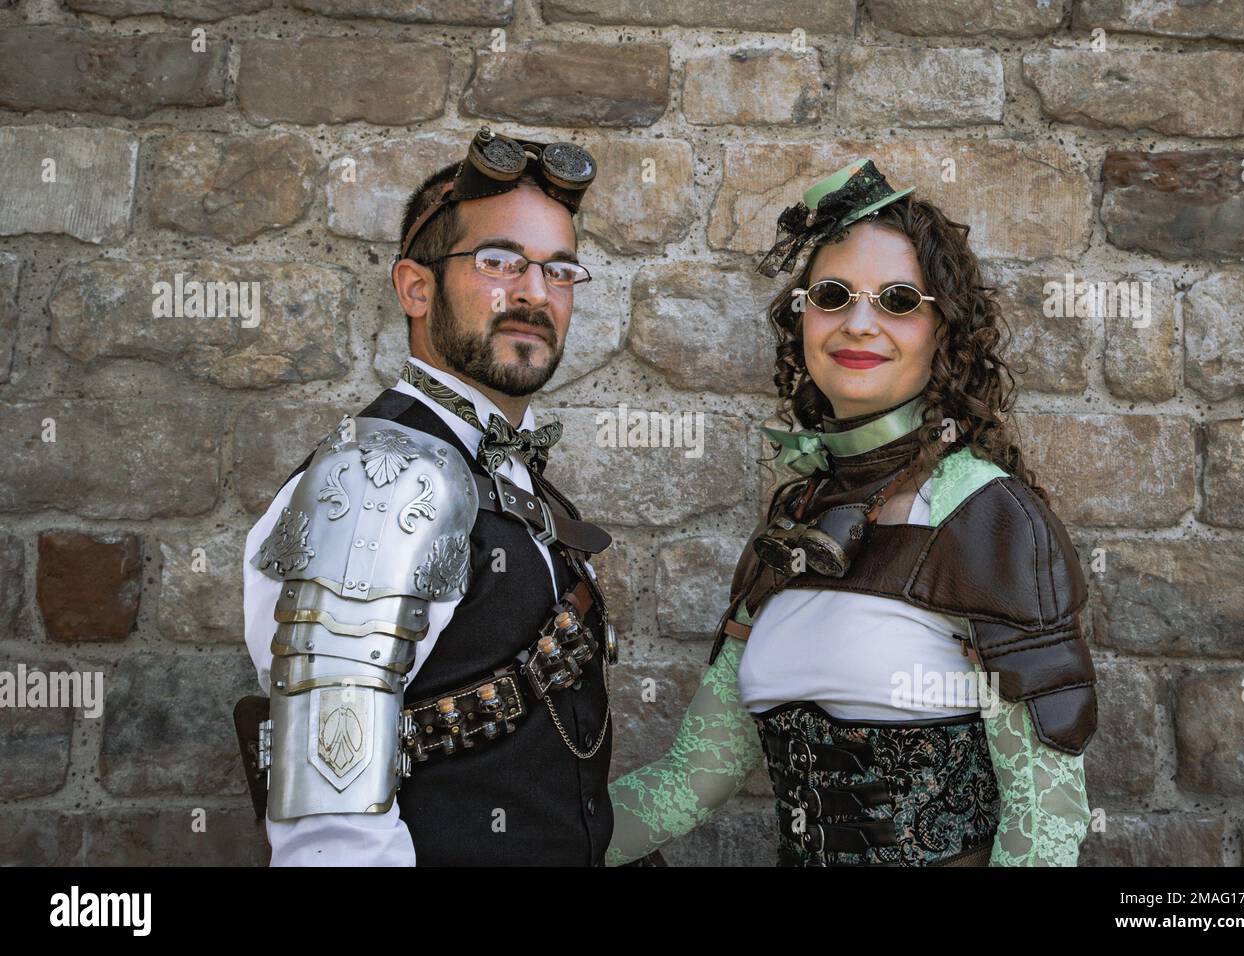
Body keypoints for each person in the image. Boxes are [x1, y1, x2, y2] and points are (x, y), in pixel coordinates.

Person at [605, 159, 1097, 866]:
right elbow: (691, 782)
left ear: (943, 330)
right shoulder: (790, 529)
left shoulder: (988, 516)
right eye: (833, 295)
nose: (860, 323)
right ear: (803, 319)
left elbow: (1044, 824)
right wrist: (534, 841)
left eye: (899, 300)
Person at [238, 127, 621, 866]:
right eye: (499, 261)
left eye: (560, 271)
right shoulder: (376, 479)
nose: (534, 294)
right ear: (416, 287)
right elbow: (330, 828)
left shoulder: (513, 475)